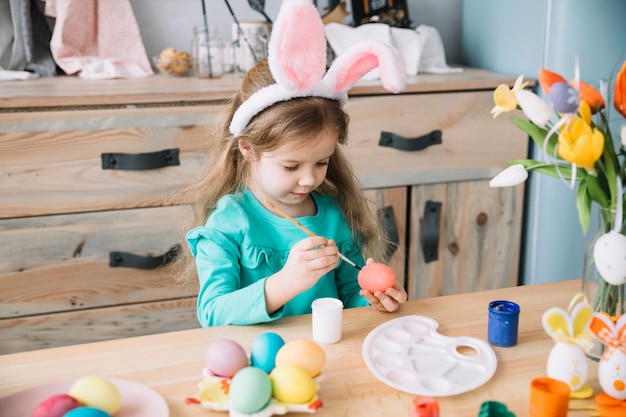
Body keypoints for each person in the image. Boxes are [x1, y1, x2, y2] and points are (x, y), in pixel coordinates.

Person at [178, 0, 408, 327]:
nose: (308, 180)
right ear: (248, 148)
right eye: (291, 166)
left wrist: (373, 300)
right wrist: (286, 283)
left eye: (322, 162)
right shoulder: (229, 223)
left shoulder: (332, 216)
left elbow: (347, 294)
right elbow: (213, 314)